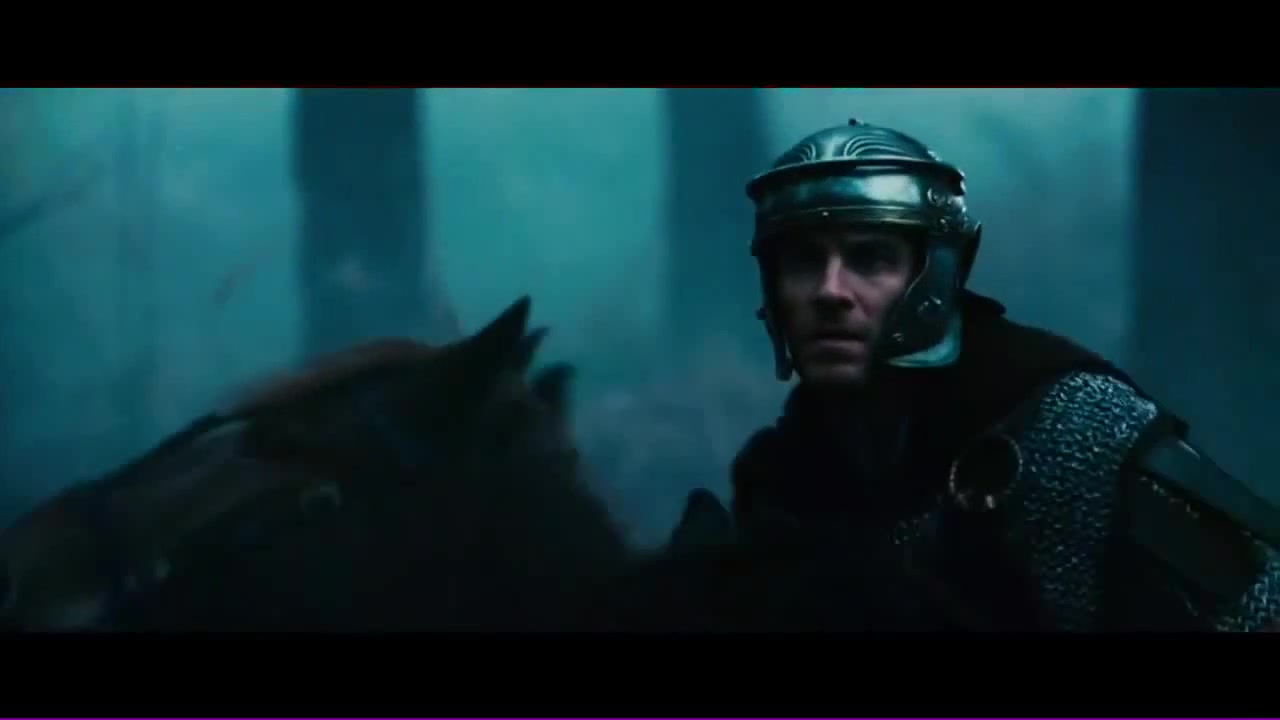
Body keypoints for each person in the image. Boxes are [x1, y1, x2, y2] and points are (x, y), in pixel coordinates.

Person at [675, 118, 1280, 631]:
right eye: (804, 262)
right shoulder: (783, 481)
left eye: (869, 258)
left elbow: (1260, 608)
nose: (829, 292)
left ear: (935, 272)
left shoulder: (1073, 431)